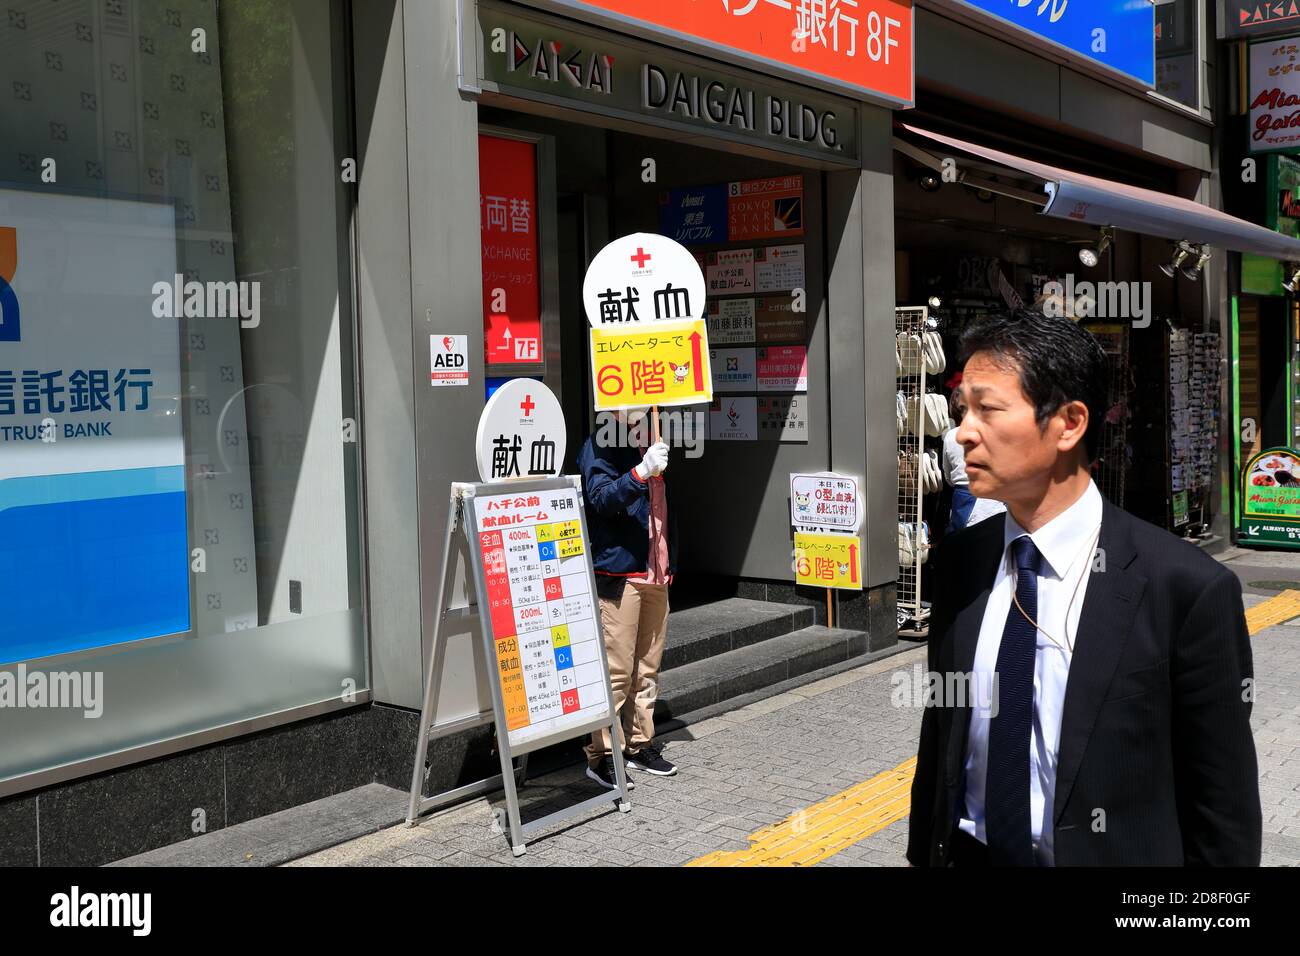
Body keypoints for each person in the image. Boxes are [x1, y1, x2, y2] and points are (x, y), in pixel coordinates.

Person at [907, 308, 1261, 867]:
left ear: (1069, 424)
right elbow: (942, 736)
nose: (962, 432)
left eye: (987, 409)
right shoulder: (958, 563)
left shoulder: (1187, 589)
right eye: (961, 410)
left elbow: (1223, 811)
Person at [576, 407, 679, 789]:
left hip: (656, 570)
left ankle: (639, 743)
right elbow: (600, 499)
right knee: (616, 670)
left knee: (647, 667)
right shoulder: (599, 444)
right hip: (620, 573)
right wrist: (641, 472)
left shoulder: (653, 438)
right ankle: (602, 755)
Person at [942, 382, 1005, 534]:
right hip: (991, 500)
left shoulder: (950, 436)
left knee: (962, 542)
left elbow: (948, 475)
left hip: (962, 500)